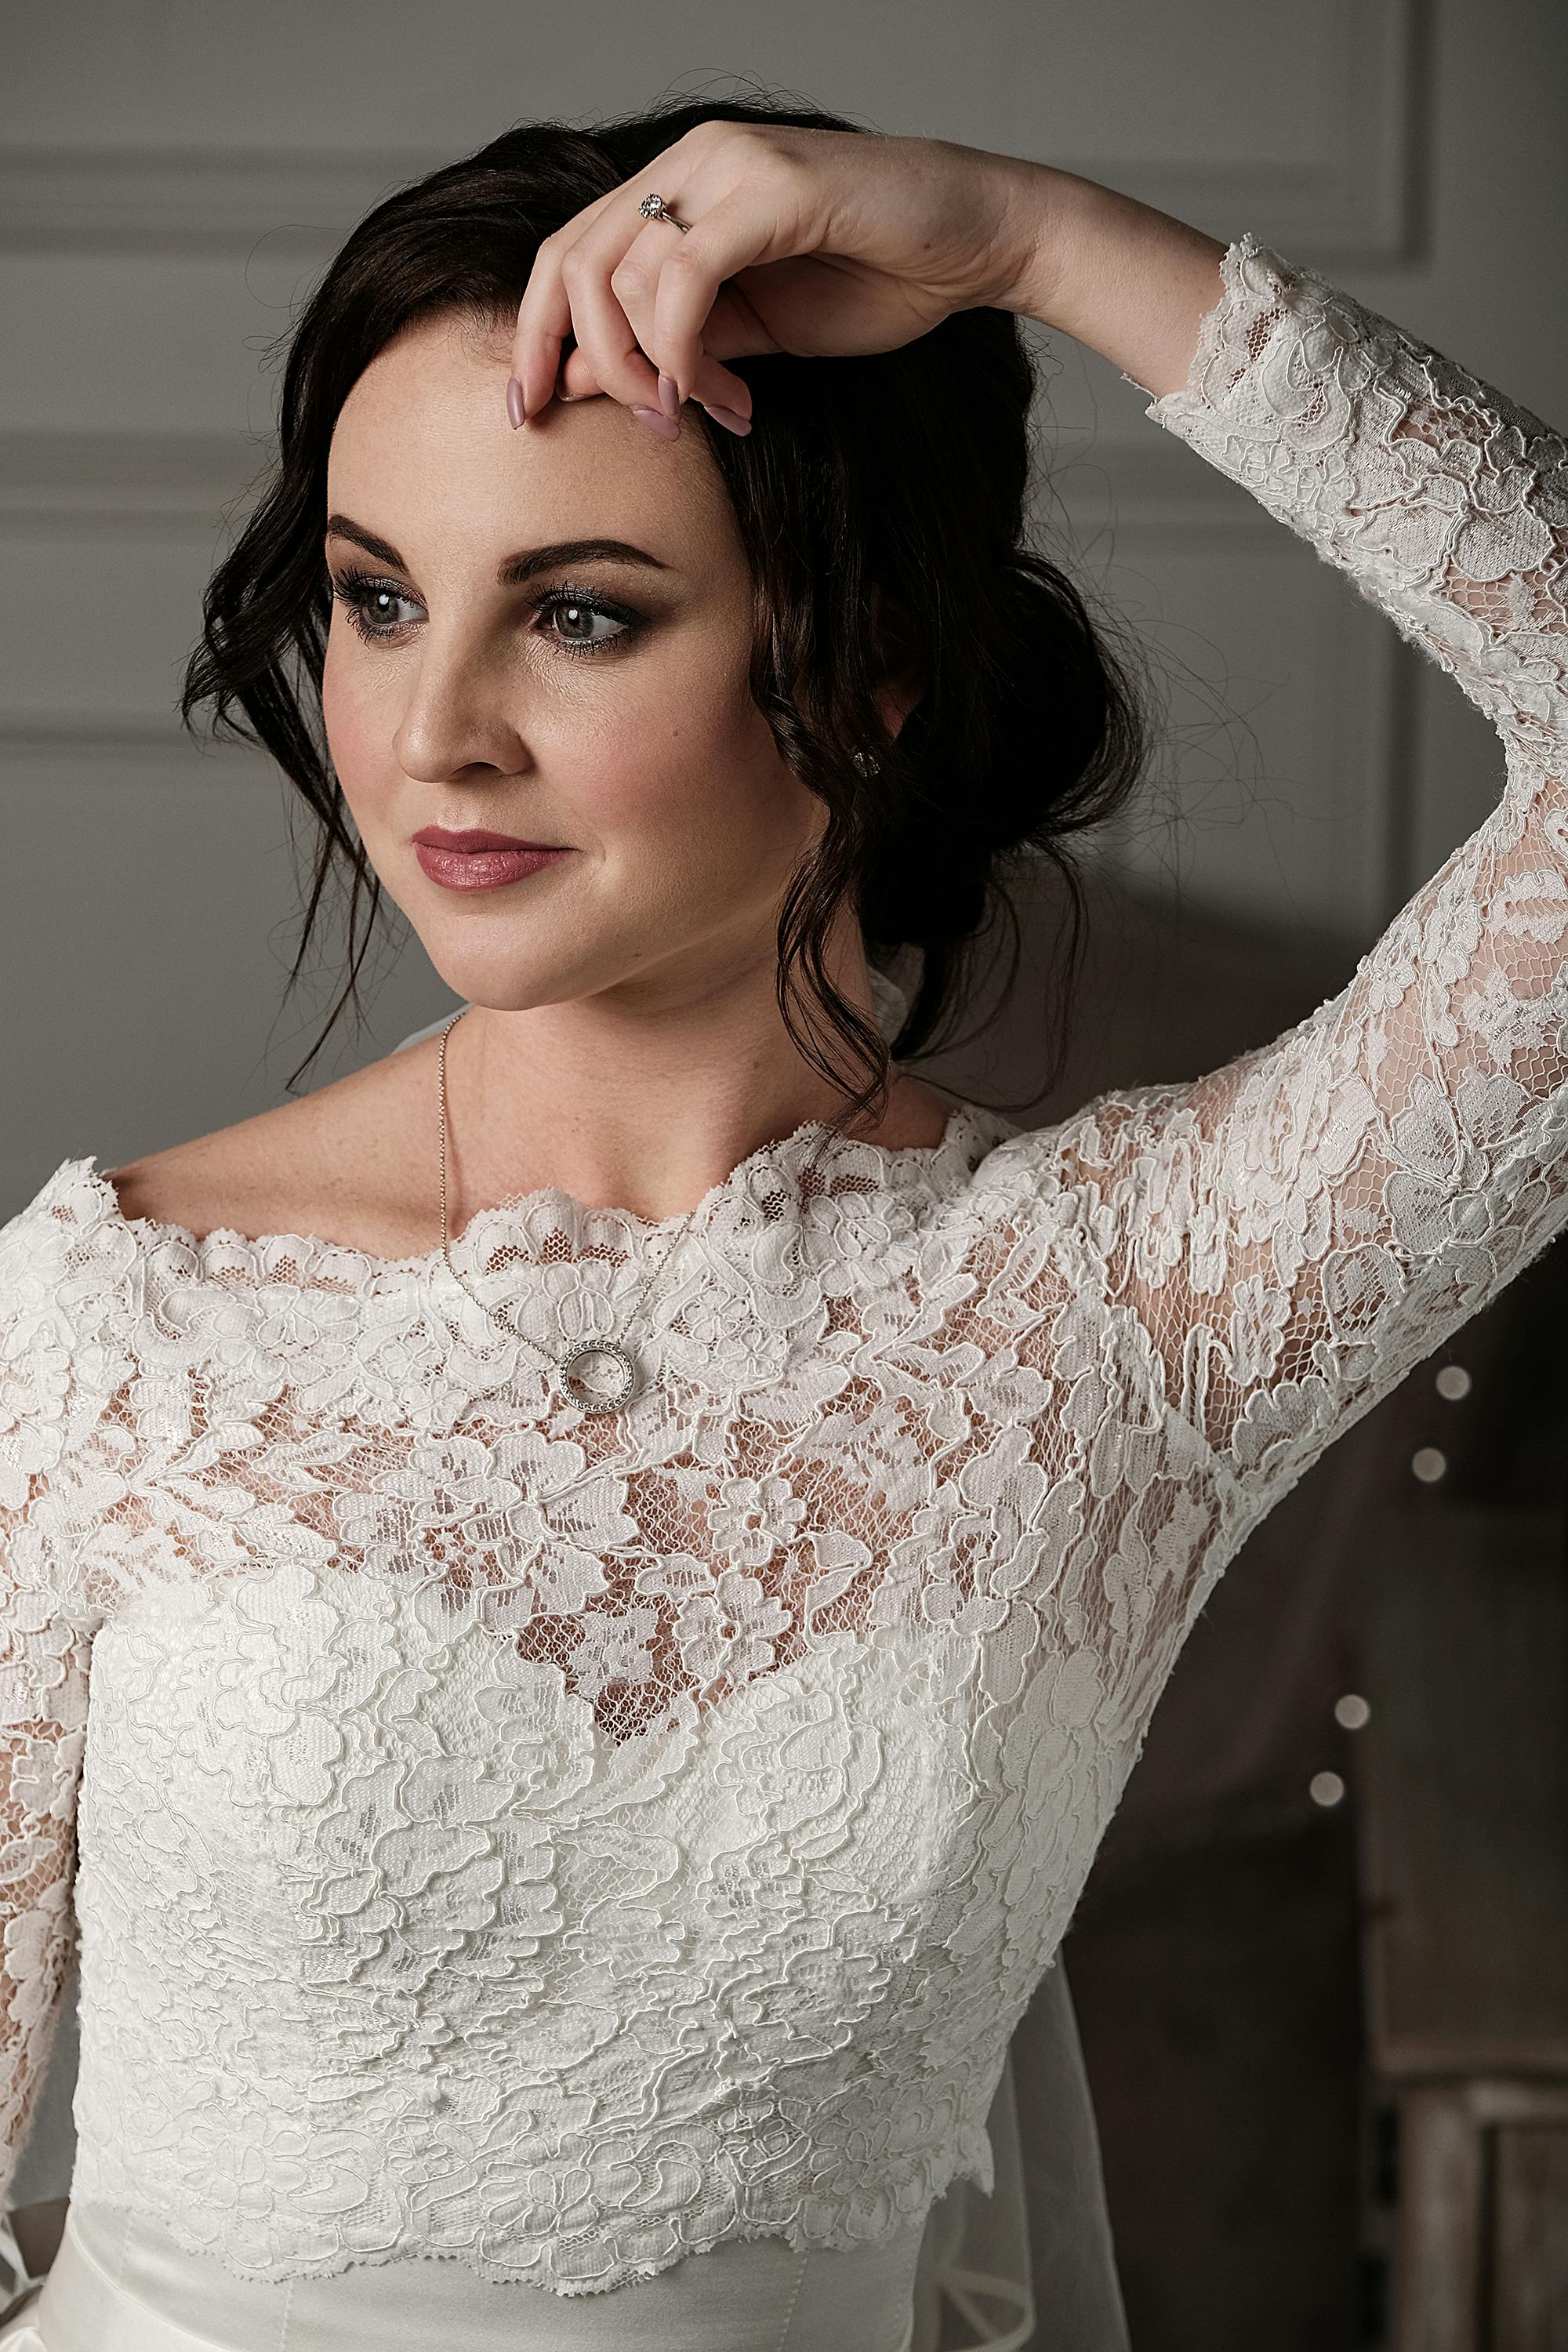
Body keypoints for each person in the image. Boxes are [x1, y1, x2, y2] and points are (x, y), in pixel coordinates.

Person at [0, 91, 1563, 2352]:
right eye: (374, 599)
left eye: (583, 615)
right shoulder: (104, 1318)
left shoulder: (1128, 1311)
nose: (432, 733)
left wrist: (1034, 234)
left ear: (871, 662)